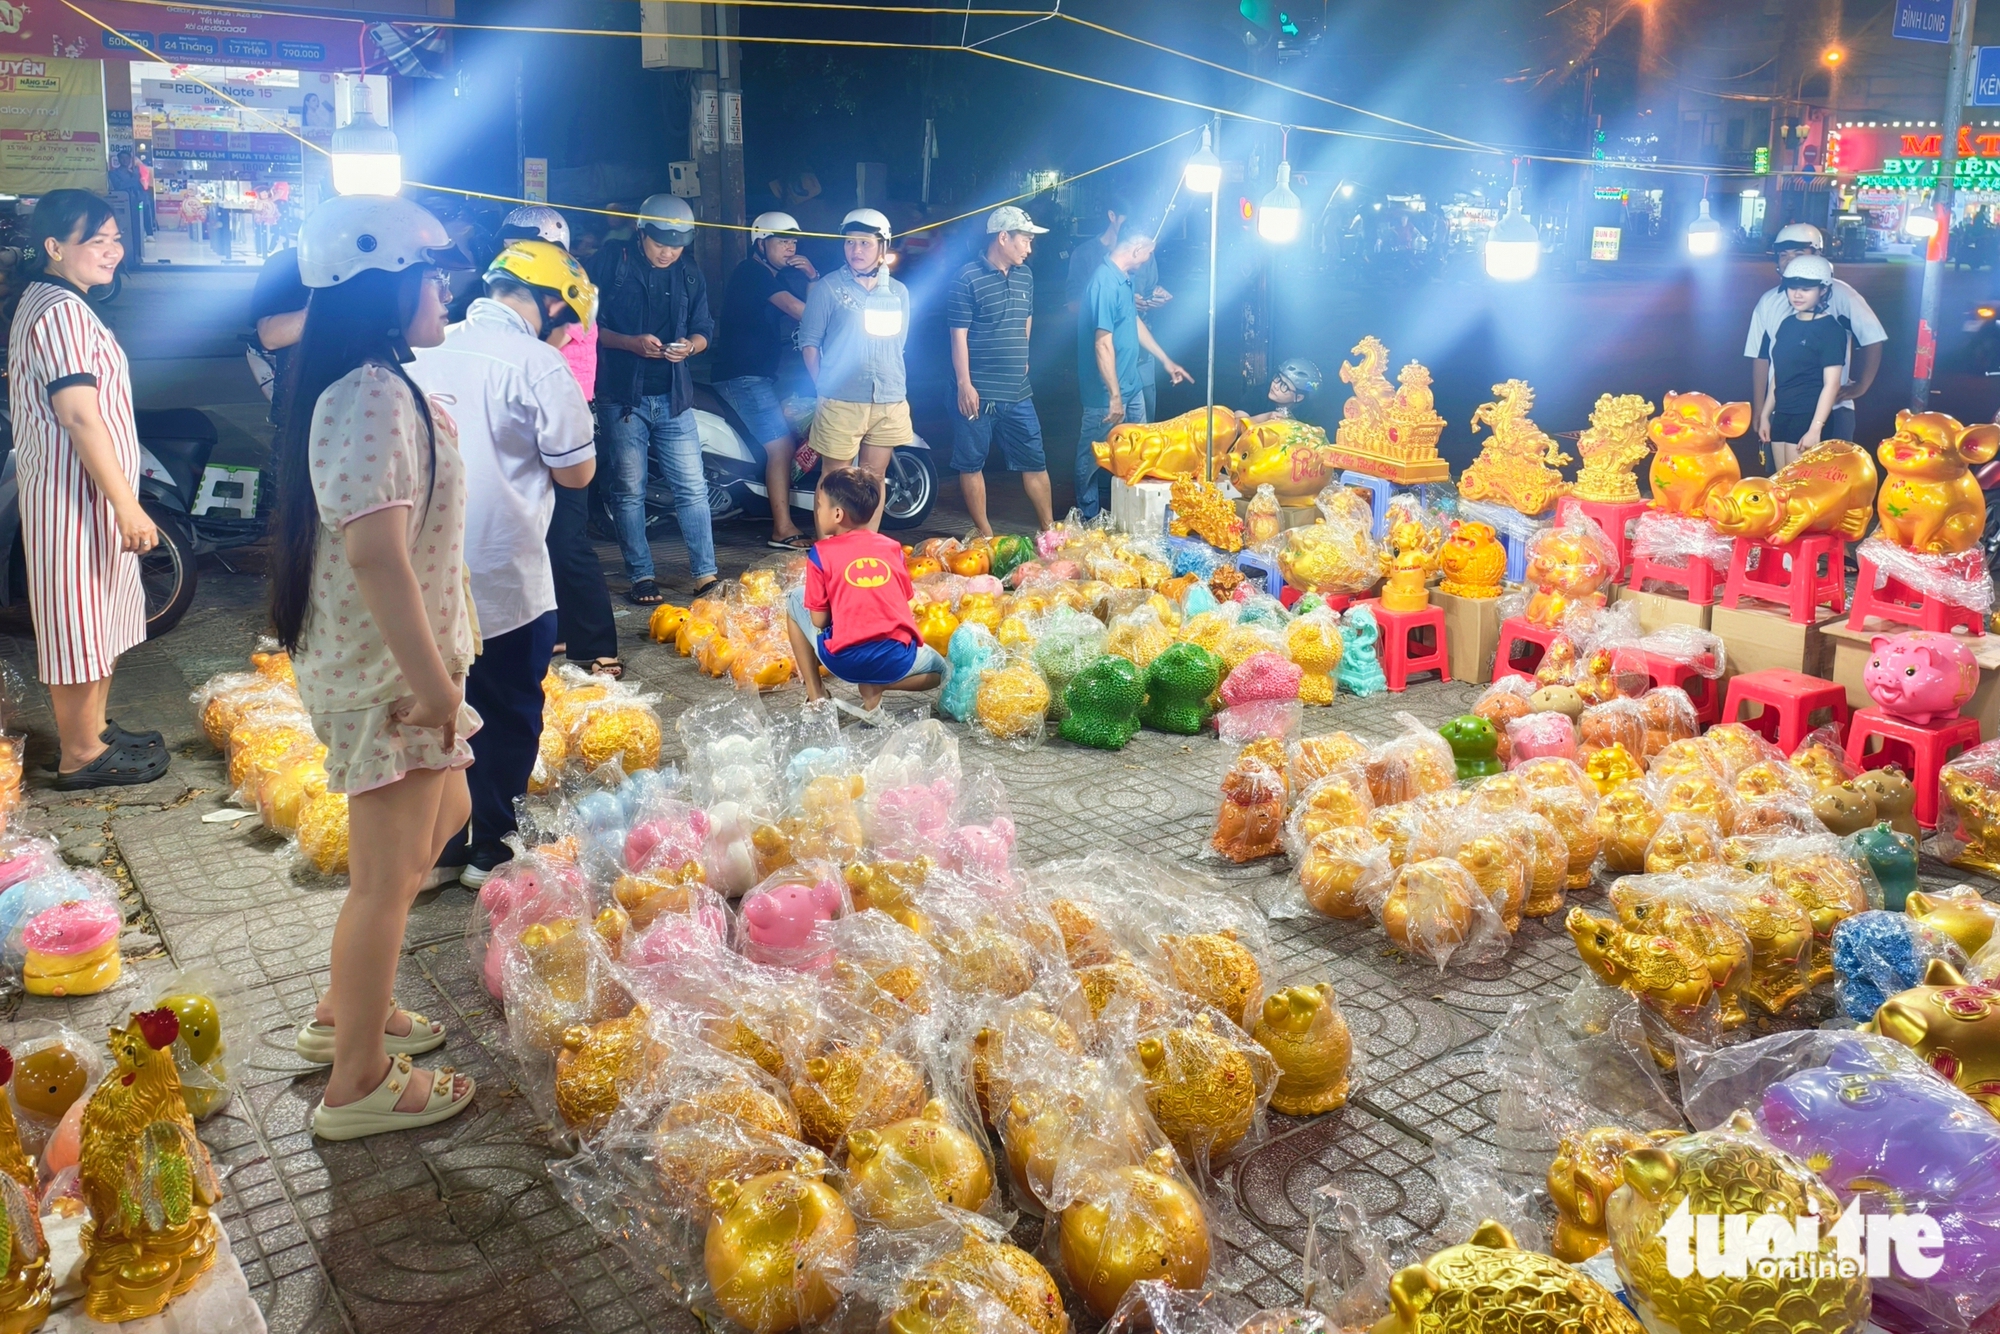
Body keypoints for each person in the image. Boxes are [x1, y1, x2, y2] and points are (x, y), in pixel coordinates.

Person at [269, 194, 477, 1139]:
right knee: (382, 882)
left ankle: (347, 1007)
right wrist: (431, 686)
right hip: (388, 677)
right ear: (383, 287)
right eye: (431, 275)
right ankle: (354, 1080)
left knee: (443, 823)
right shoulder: (365, 391)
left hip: (405, 663)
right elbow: (374, 553)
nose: (445, 290)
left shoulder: (378, 382)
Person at [410, 240, 596, 888]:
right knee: (509, 710)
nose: (569, 333)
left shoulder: (422, 347)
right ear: (549, 302)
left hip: (422, 575)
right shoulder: (538, 362)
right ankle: (492, 848)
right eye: (567, 319)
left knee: (434, 709)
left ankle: (435, 852)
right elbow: (576, 472)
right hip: (504, 573)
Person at [6, 190, 166, 789]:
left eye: (115, 239)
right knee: (77, 624)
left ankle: (93, 732)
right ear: (55, 247)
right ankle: (78, 754)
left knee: (98, 618)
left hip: (88, 492)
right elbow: (77, 414)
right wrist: (127, 503)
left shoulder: (60, 302)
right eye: (95, 241)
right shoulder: (60, 312)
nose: (112, 252)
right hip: (72, 500)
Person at [497, 206, 622, 679]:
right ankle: (561, 629)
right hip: (524, 420)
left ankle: (596, 645)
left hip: (566, 418)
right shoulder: (519, 289)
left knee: (568, 536)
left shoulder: (569, 289)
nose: (512, 253)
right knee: (538, 533)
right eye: (508, 245)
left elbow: (538, 350)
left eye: (521, 244)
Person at [586, 193, 718, 605]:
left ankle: (706, 575)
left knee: (693, 488)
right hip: (622, 398)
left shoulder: (690, 272)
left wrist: (689, 348)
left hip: (674, 397)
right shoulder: (613, 264)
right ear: (641, 233)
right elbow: (587, 328)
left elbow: (704, 329)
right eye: (661, 243)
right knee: (628, 489)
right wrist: (630, 343)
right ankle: (641, 575)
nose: (668, 252)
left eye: (677, 246)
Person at [782, 466, 946, 719]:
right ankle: (878, 685)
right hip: (896, 658)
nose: (818, 511)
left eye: (819, 505)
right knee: (940, 671)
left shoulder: (821, 553)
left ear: (837, 514)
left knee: (794, 598)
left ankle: (816, 697)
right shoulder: (892, 548)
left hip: (842, 661)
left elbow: (819, 621)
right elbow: (902, 599)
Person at [948, 204, 1054, 536]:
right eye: (1025, 239)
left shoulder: (1026, 275)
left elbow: (1027, 315)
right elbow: (958, 335)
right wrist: (964, 384)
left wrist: (1023, 353)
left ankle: (1049, 531)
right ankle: (986, 534)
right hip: (979, 391)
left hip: (1018, 390)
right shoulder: (967, 277)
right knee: (971, 463)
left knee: (1035, 460)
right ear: (1003, 237)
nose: (1029, 247)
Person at [1074, 224, 1191, 519]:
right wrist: (1114, 396)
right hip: (1105, 393)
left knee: (1139, 451)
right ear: (1137, 249)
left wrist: (1166, 359)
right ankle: (1087, 517)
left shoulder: (1125, 279)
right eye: (1148, 253)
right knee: (1093, 455)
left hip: (1132, 384)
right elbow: (1102, 344)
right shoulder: (1104, 283)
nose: (1148, 259)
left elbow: (1133, 323)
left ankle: (1132, 515)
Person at [715, 210, 816, 550]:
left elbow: (808, 311)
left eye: (793, 241)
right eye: (782, 241)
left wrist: (813, 278)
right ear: (761, 243)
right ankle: (783, 528)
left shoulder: (772, 276)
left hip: (758, 376)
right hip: (742, 377)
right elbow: (802, 311)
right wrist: (816, 280)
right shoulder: (753, 273)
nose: (791, 247)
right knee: (782, 445)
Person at [798, 208, 913, 483]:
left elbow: (900, 343)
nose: (855, 249)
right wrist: (823, 386)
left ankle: (867, 530)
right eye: (850, 242)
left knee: (873, 478)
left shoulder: (898, 292)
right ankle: (828, 530)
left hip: (889, 398)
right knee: (836, 479)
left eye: (864, 242)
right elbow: (809, 344)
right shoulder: (828, 288)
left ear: (882, 246)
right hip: (841, 400)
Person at [1745, 222, 1885, 447]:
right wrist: (1761, 410)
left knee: (1826, 478)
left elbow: (1872, 337)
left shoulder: (1842, 295)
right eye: (1784, 254)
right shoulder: (1768, 302)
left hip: (1833, 411)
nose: (1790, 260)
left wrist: (1861, 385)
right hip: (1782, 407)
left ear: (1817, 254)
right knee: (1779, 479)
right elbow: (1762, 357)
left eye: (1799, 253)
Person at [1756, 255, 1848, 470]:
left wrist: (1816, 428)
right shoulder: (1787, 324)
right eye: (1792, 287)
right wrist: (1765, 415)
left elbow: (1832, 384)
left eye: (1806, 289)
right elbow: (1778, 375)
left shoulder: (1831, 330)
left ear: (1823, 290)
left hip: (1808, 413)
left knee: (1799, 489)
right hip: (1783, 413)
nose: (1797, 294)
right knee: (1781, 486)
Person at [249, 244, 310, 422]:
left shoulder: (389, 266)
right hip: (300, 410)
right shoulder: (288, 263)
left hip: (375, 401)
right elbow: (270, 335)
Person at [1065, 196, 1128, 310]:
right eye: (1128, 221)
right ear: (1112, 216)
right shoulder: (1084, 253)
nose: (1133, 226)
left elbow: (1148, 290)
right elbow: (1073, 304)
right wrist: (1123, 302)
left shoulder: (1145, 253)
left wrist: (1156, 295)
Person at [1247, 358, 1321, 424]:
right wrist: (1265, 418)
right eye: (1278, 378)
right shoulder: (1259, 393)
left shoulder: (1307, 414)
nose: (1275, 386)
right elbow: (1237, 426)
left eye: (1284, 386)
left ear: (1298, 397)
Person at [106, 150, 143, 266]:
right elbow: (119, 186)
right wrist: (135, 178)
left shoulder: (133, 173)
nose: (125, 160)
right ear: (119, 160)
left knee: (136, 231)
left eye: (127, 158)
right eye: (122, 158)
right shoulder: (113, 173)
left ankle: (136, 256)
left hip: (135, 206)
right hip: (122, 206)